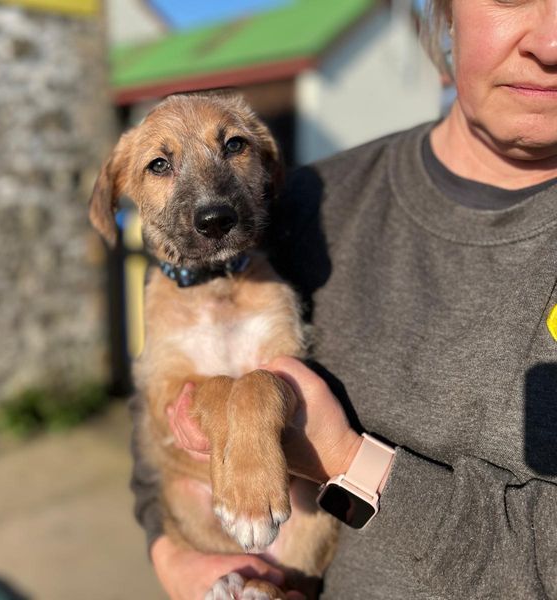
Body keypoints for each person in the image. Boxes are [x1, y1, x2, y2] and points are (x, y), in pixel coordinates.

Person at [131, 0, 557, 597]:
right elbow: (152, 435)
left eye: (232, 148)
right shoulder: (303, 202)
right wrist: (172, 552)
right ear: (445, 12)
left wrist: (343, 458)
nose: (551, 43)